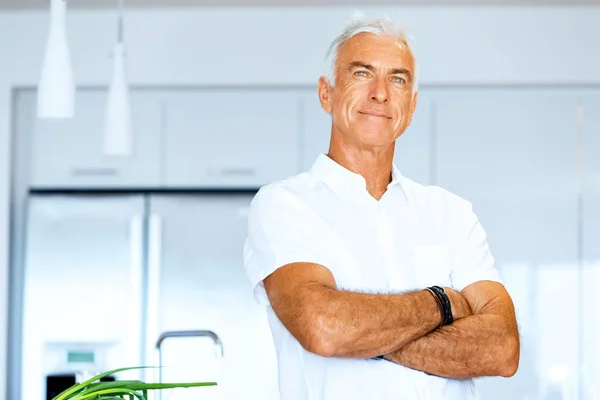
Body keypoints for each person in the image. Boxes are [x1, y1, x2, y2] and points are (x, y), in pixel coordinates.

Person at [243, 15, 520, 400]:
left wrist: (359, 335)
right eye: (361, 73)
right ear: (327, 93)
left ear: (412, 103)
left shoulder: (452, 213)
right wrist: (442, 302)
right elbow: (324, 328)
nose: (381, 93)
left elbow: (501, 349)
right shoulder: (285, 205)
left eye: (398, 79)